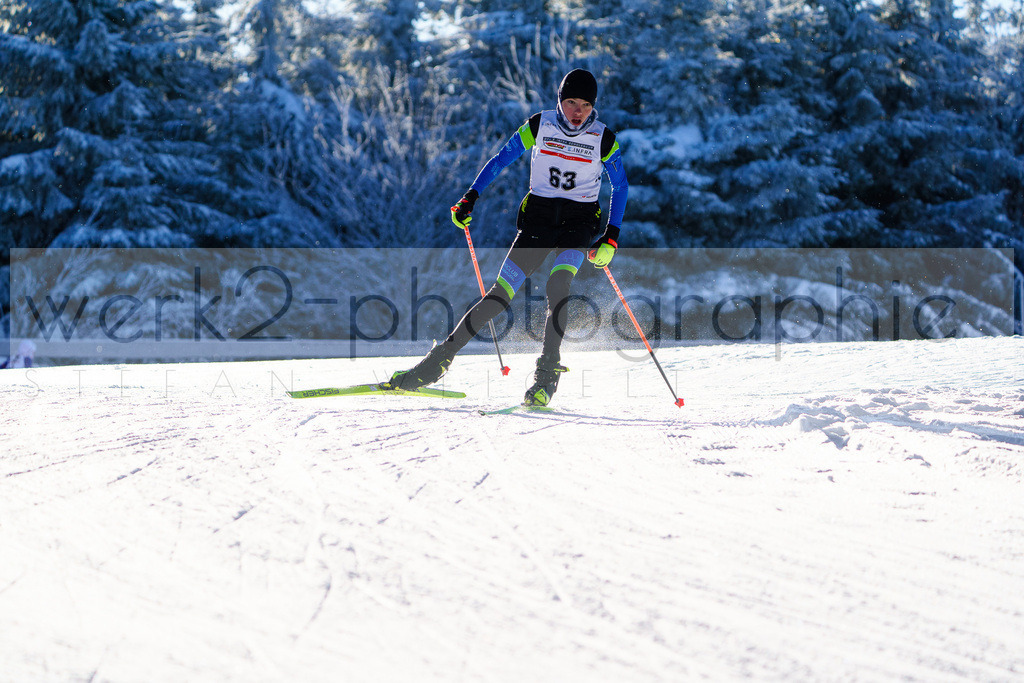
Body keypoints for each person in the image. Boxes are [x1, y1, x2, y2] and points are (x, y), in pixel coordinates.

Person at [390, 68, 628, 406]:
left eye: (586, 105)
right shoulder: (539, 125)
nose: (578, 112)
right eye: (572, 102)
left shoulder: (603, 139)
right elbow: (501, 160)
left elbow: (621, 186)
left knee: (558, 285)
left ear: (594, 107)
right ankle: (436, 362)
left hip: (578, 223)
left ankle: (547, 376)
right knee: (499, 295)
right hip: (539, 221)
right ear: (560, 101)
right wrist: (470, 197)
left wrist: (611, 236)